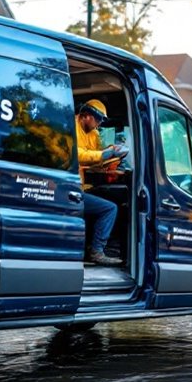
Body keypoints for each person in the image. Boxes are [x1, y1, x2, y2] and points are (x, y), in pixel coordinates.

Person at [76, 99, 127, 265]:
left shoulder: (94, 134)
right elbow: (77, 155)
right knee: (109, 209)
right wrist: (104, 155)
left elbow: (96, 160)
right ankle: (96, 251)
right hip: (71, 188)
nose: (98, 125)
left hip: (83, 186)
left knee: (114, 198)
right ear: (86, 116)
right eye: (97, 120)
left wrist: (112, 160)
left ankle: (107, 247)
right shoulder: (71, 127)